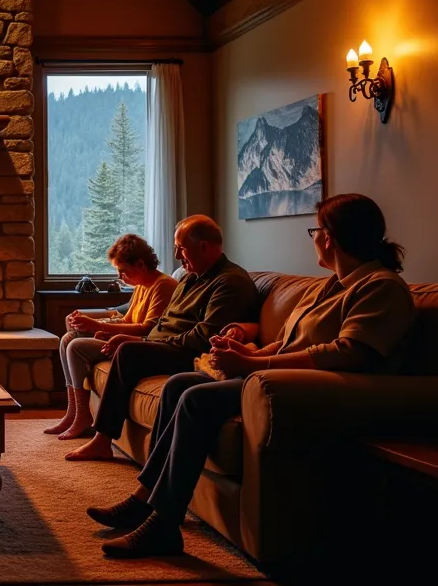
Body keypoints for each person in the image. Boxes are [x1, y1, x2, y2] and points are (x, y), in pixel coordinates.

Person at [90, 194, 416, 559]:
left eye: (315, 230)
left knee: (197, 398)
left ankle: (163, 525)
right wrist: (252, 352)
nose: (313, 238)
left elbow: (350, 353)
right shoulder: (331, 285)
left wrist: (255, 367)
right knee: (181, 384)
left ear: (331, 237)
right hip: (280, 378)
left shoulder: (380, 286)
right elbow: (290, 340)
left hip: (310, 391)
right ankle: (146, 498)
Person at [65, 215, 258, 461]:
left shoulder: (229, 282)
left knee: (127, 352)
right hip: (164, 344)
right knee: (118, 348)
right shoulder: (190, 277)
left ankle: (102, 440)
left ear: (204, 247)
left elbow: (204, 336)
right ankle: (94, 430)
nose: (177, 256)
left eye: (181, 248)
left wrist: (143, 342)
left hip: (189, 351)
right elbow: (161, 321)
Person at [47, 234, 178, 439]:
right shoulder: (142, 285)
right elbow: (127, 320)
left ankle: (83, 416)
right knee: (67, 339)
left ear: (141, 264)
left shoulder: (163, 285)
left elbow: (148, 329)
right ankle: (72, 411)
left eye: (123, 270)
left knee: (76, 346)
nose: (119, 276)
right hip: (129, 339)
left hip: (143, 346)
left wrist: (98, 325)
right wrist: (103, 327)